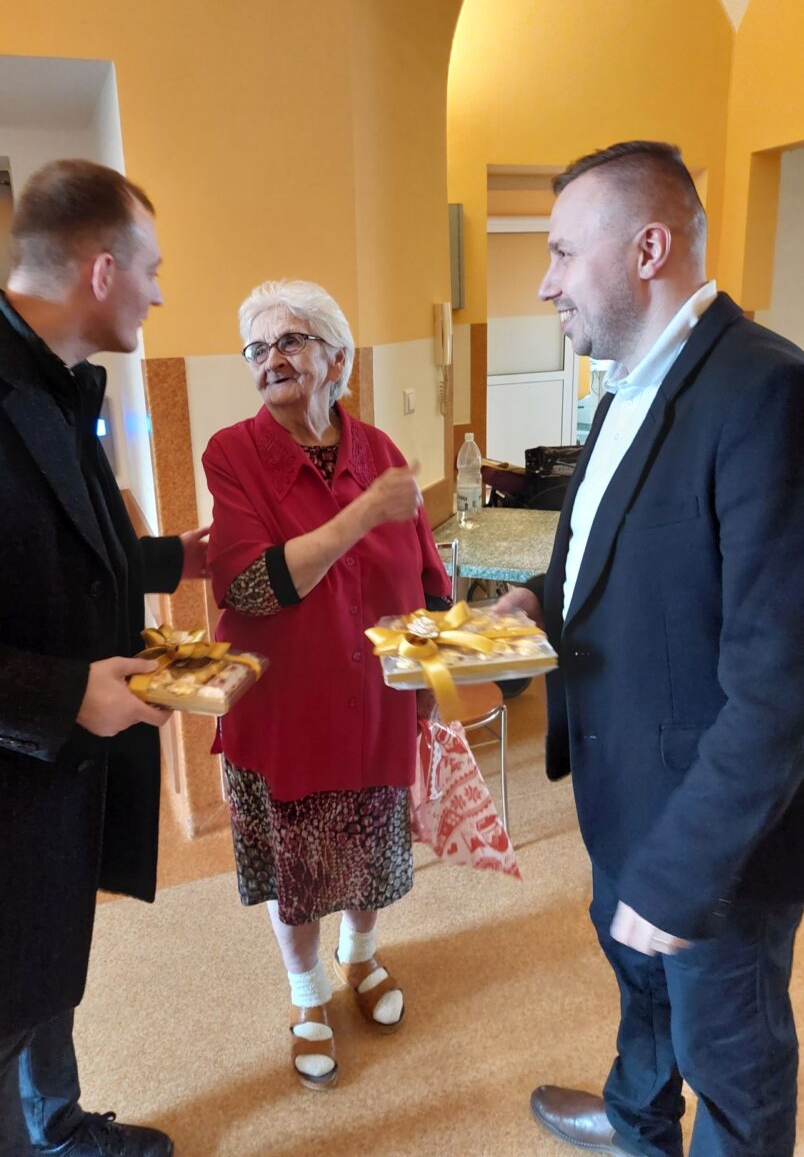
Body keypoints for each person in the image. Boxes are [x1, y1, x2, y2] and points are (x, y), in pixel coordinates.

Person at [496, 141, 804, 1156]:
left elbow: (782, 680)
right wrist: (541, 600)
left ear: (648, 249)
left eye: (560, 254)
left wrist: (682, 869)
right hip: (623, 786)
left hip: (717, 838)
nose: (545, 283)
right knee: (644, 998)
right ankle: (637, 1121)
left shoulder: (767, 392)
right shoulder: (629, 381)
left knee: (733, 1062)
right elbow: (619, 542)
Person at [0, 159, 210, 1157]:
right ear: (101, 269)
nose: (158, 293)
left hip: (55, 779)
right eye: (151, 270)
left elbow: (51, 546)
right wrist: (69, 693)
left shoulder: (60, 385)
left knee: (47, 975)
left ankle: (61, 1126)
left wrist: (174, 559)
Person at [202, 280, 449, 1090]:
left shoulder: (379, 450)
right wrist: (361, 515)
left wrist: (439, 655)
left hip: (376, 697)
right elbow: (247, 586)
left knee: (371, 851)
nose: (271, 358)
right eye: (257, 347)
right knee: (298, 871)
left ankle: (361, 956)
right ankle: (307, 993)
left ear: (336, 359)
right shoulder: (234, 453)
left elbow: (426, 571)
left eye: (291, 340)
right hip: (284, 710)